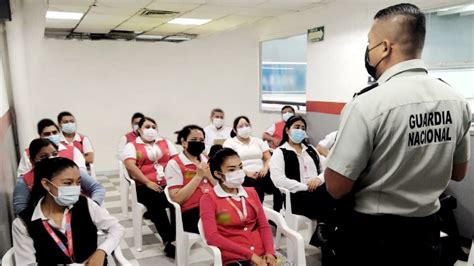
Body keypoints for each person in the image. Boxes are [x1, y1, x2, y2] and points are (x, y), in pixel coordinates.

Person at [324, 4, 471, 266]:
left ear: (384, 47)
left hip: (374, 237)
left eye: (369, 43)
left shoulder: (367, 104)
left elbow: (336, 187)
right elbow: (458, 173)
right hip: (426, 231)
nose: (368, 51)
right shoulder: (456, 100)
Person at [12, 157, 124, 265]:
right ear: (46, 184)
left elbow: (116, 228)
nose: (76, 188)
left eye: (78, 182)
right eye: (67, 183)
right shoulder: (23, 224)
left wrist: (102, 251)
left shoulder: (84, 204)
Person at [269, 116, 338, 256]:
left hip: (318, 193)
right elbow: (279, 180)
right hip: (296, 198)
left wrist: (318, 180)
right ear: (287, 130)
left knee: (337, 196)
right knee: (335, 204)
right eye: (296, 127)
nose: (300, 130)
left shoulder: (311, 150)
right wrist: (305, 186)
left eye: (303, 128)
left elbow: (326, 170)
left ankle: (324, 235)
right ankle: (323, 233)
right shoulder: (280, 152)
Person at [201, 148, 276, 266]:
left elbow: (264, 226)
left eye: (240, 167)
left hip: (262, 254)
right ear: (218, 174)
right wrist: (250, 255)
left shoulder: (251, 192)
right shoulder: (209, 198)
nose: (239, 172)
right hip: (234, 257)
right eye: (232, 169)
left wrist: (270, 252)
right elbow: (212, 236)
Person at [122, 116, 177, 257]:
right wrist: (147, 182)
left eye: (153, 126)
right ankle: (169, 240)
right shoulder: (132, 146)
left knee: (177, 199)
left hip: (167, 183)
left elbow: (176, 160)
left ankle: (178, 236)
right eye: (147, 127)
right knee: (156, 202)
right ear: (139, 130)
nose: (151, 129)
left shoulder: (165, 142)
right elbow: (130, 166)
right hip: (144, 186)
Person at [13, 138, 105, 215]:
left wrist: (91, 207)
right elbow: (20, 209)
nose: (51, 158)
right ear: (32, 160)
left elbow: (97, 188)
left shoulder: (70, 170)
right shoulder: (25, 181)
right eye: (44, 156)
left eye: (54, 154)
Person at [165, 125, 217, 233]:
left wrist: (209, 176)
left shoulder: (206, 159)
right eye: (193, 140)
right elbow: (177, 198)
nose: (198, 143)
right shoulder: (174, 164)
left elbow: (220, 187)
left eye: (201, 140)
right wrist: (198, 176)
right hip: (193, 211)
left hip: (215, 205)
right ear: (184, 142)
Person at [224, 116, 283, 212]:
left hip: (261, 172)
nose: (245, 128)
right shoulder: (230, 143)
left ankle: (276, 215)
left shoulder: (258, 141)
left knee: (278, 188)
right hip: (242, 174)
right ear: (235, 130)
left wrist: (265, 168)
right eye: (241, 126)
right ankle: (257, 215)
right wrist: (246, 172)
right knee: (257, 190)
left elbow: (268, 158)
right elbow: (229, 162)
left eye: (247, 125)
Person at [17, 118, 87, 176]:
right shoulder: (29, 153)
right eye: (47, 134)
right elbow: (22, 176)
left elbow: (82, 174)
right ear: (40, 136)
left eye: (54, 132)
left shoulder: (73, 151)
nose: (52, 135)